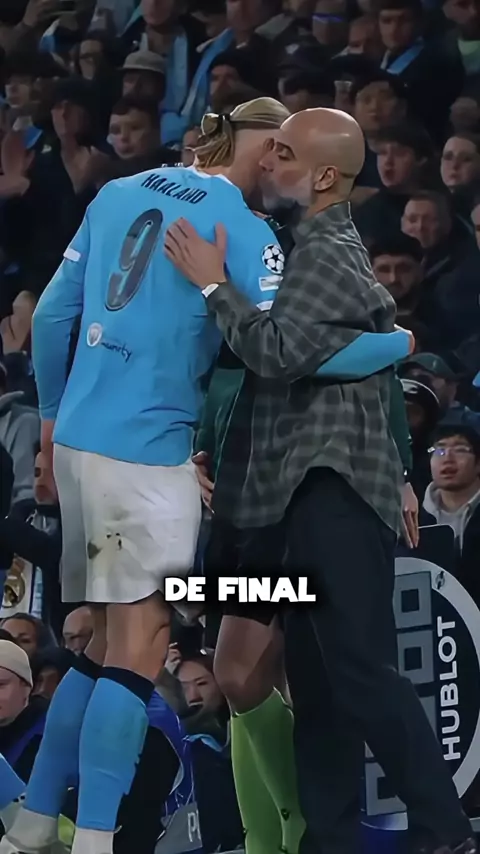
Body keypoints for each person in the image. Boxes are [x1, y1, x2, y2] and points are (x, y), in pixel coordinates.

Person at [0, 97, 409, 854]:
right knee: (143, 642)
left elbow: (53, 315)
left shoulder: (118, 191)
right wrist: (394, 343)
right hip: (148, 455)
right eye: (279, 150)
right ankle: (96, 838)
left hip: (84, 444)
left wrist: (51, 424)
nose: (281, 167)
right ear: (262, 148)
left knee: (102, 644)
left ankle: (32, 818)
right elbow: (292, 349)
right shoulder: (244, 232)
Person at [165, 107, 475, 854]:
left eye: (283, 153)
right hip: (293, 498)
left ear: (326, 175)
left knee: (359, 670)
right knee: (317, 679)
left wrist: (213, 286)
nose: (268, 162)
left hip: (332, 491)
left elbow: (275, 353)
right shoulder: (299, 249)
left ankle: (444, 829)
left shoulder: (328, 252)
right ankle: (328, 837)